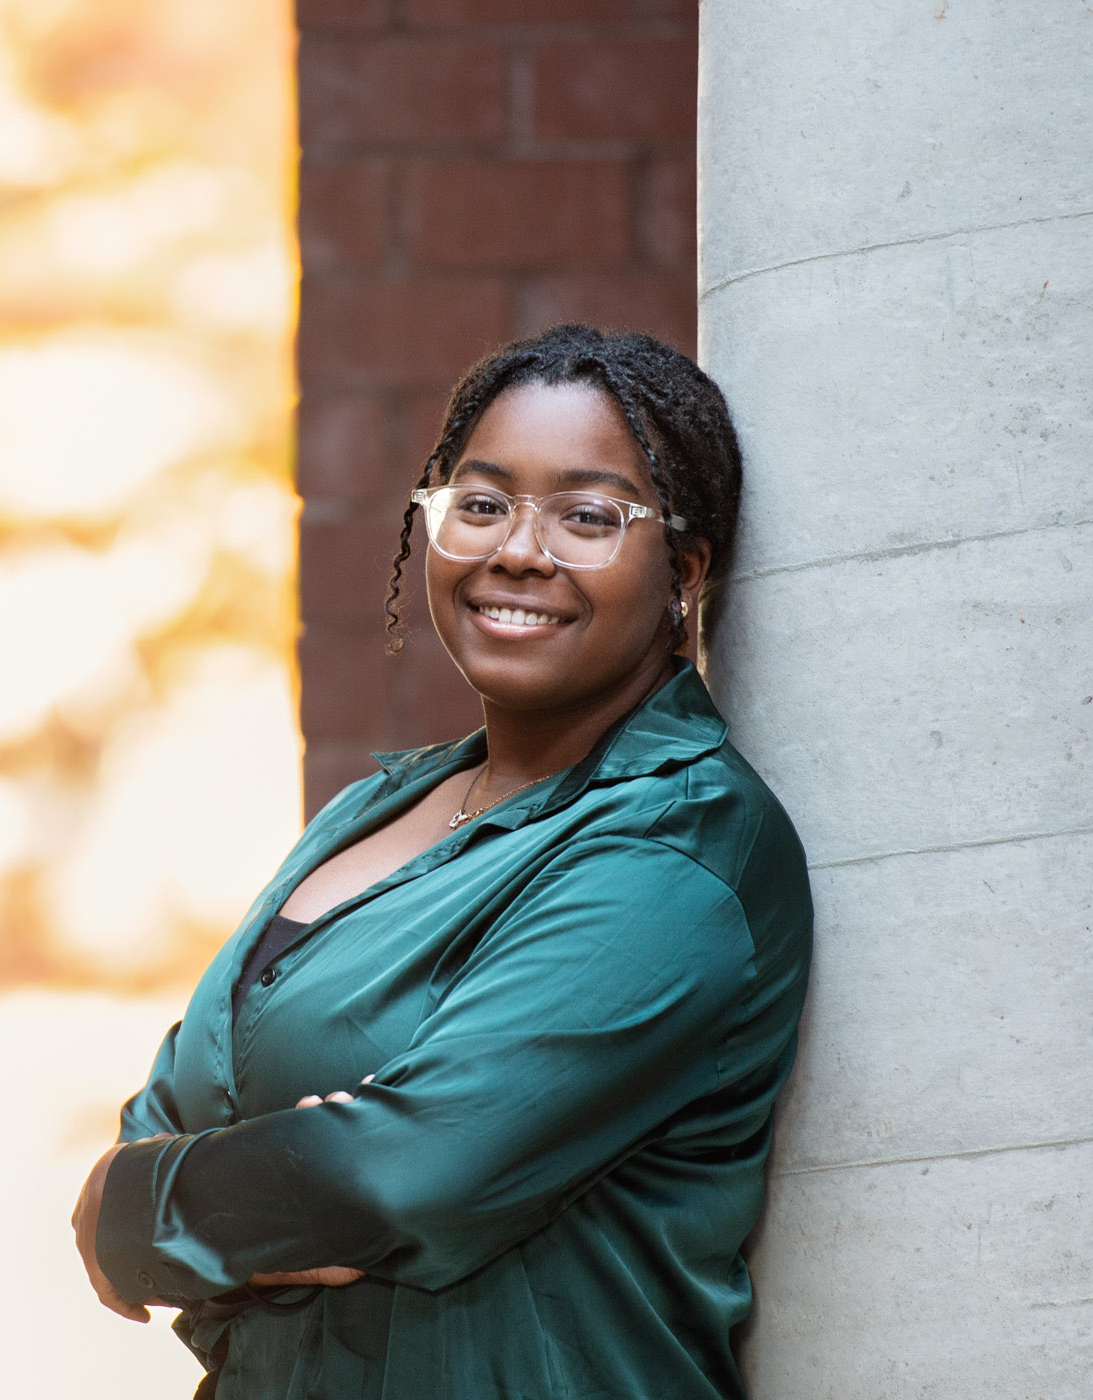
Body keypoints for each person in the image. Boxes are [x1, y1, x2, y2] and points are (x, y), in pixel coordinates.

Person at [69, 325, 813, 1400]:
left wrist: (146, 1207)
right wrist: (230, 1195)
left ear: (682, 571)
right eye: (481, 501)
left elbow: (397, 1179)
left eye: (589, 515)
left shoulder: (680, 846)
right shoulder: (376, 805)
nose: (518, 547)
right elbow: (173, 1106)